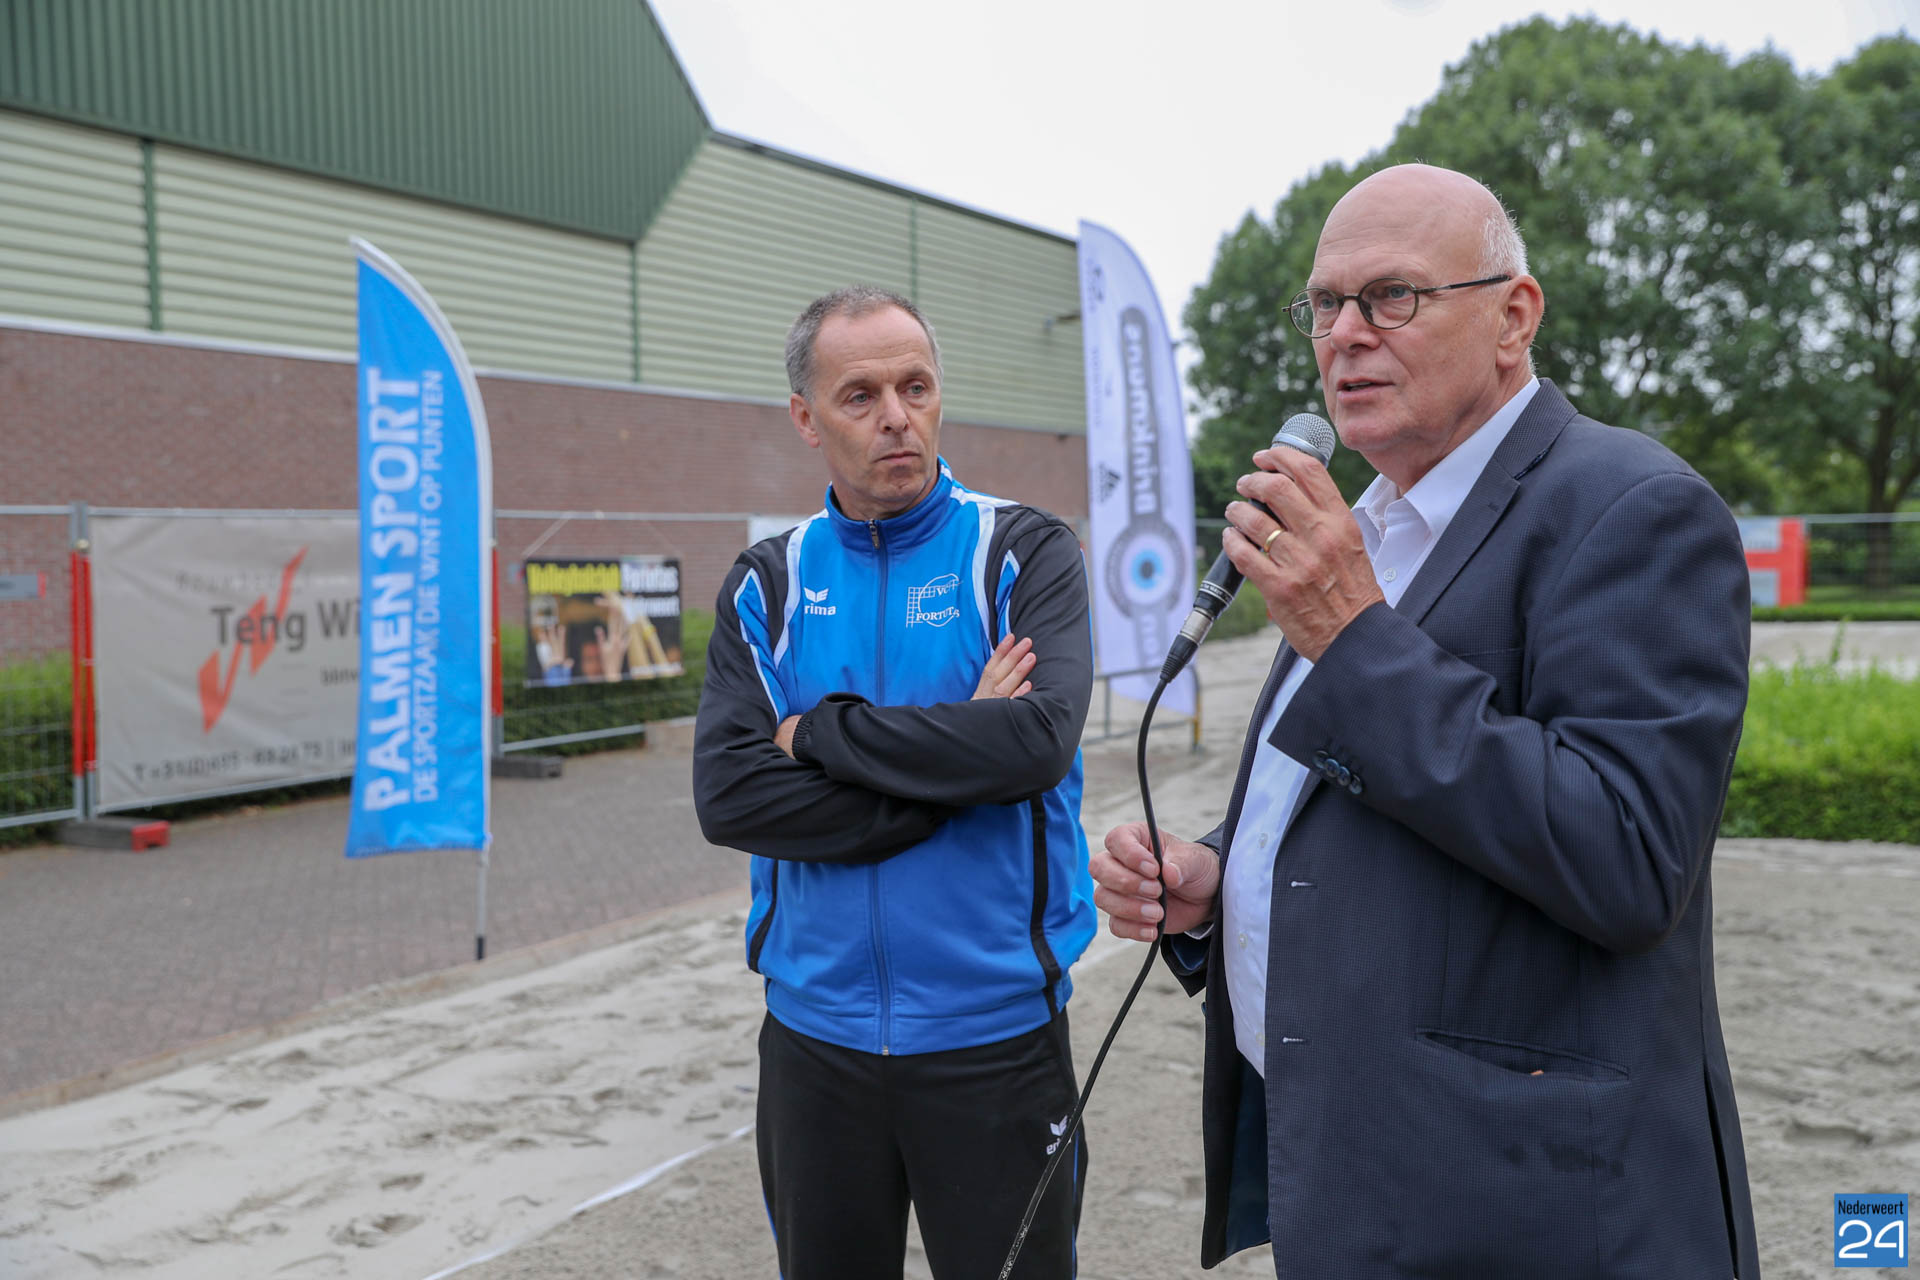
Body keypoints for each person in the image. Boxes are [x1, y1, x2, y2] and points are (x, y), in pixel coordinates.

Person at [1091, 165, 1760, 1278]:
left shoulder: (1634, 508)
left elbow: (1629, 857)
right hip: (1355, 1171)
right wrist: (1220, 875)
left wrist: (1355, 638)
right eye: (1325, 304)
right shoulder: (1368, 527)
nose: (1345, 335)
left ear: (1514, 316)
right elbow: (1361, 797)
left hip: (1522, 1208)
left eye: (1392, 296)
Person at [693, 286, 1097, 1279]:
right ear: (807, 418)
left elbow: (1035, 744)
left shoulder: (1022, 551)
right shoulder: (769, 581)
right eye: (861, 395)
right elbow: (730, 795)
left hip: (997, 1037)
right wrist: (958, 761)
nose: (896, 417)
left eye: (916, 387)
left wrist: (817, 731)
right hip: (813, 1042)